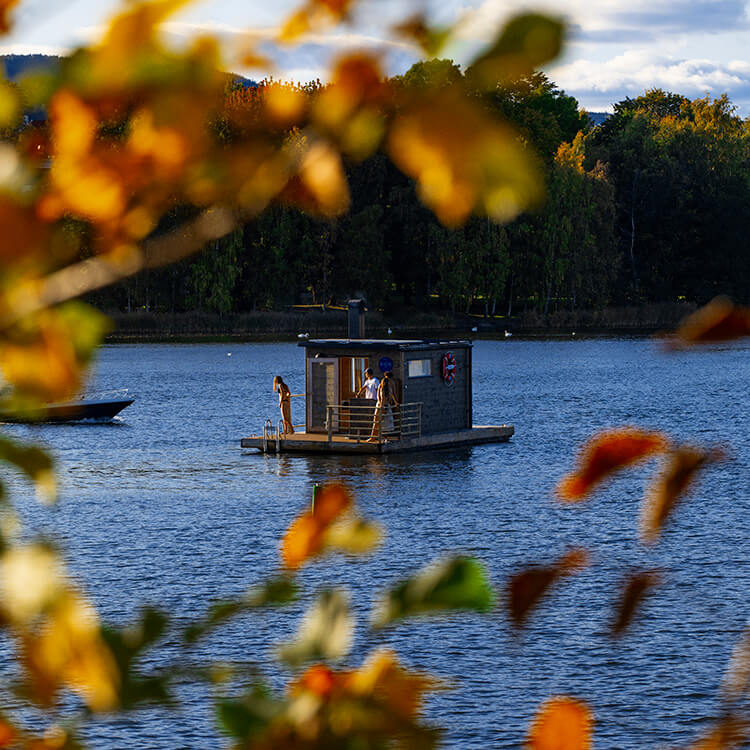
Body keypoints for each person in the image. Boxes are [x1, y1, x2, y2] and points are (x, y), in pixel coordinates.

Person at [367, 370, 399, 442]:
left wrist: (395, 402)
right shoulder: (386, 382)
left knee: (381, 422)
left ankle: (379, 437)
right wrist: (383, 404)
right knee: (380, 421)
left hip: (383, 404)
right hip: (383, 404)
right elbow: (382, 394)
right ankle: (375, 437)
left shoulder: (387, 382)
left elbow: (382, 394)